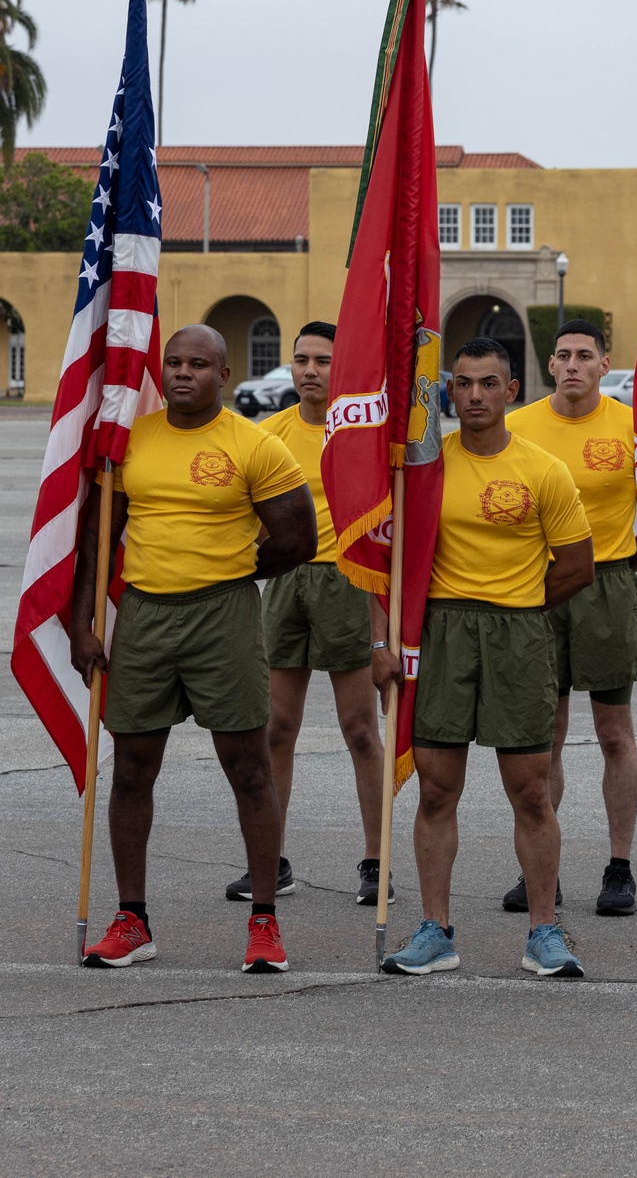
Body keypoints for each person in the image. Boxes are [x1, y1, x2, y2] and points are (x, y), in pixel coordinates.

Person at [70, 325, 317, 974]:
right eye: (174, 362)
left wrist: (234, 568)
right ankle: (132, 920)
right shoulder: (131, 443)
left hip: (224, 615)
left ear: (224, 373)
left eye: (199, 364)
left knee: (249, 769)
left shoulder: (253, 445)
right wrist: (82, 623)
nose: (184, 373)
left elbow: (298, 539)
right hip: (146, 617)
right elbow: (99, 537)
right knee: (130, 771)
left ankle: (264, 922)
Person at [372, 337, 594, 978]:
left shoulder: (544, 469)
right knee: (437, 789)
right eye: (463, 384)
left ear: (511, 391)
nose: (474, 396)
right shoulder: (422, 467)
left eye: (488, 384)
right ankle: (436, 930)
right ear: (449, 392)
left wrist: (518, 606)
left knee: (530, 791)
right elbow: (381, 562)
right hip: (440, 635)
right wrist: (379, 640)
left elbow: (577, 565)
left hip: (519, 636)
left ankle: (544, 931)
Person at [224, 322, 390, 908]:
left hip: (347, 581)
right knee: (275, 729)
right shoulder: (267, 434)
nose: (311, 370)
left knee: (360, 730)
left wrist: (382, 622)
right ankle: (271, 861)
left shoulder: (364, 432)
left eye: (324, 359)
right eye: (301, 359)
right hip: (286, 582)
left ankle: (377, 861)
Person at [501, 319, 637, 916]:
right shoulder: (519, 426)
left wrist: (619, 566)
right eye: (562, 355)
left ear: (604, 365)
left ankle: (620, 867)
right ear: (550, 362)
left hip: (608, 586)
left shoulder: (632, 428)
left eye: (584, 356)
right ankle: (543, 868)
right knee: (544, 737)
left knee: (614, 732)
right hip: (539, 588)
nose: (572, 366)